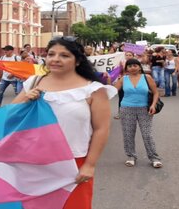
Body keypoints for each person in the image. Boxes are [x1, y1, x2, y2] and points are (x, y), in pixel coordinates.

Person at [11, 37, 116, 209]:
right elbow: (10, 117)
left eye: (64, 55)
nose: (55, 59)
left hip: (74, 164)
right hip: (33, 162)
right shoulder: (34, 82)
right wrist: (26, 102)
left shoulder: (94, 89)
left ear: (78, 61)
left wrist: (90, 165)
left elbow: (101, 129)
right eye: (51, 54)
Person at [114, 58, 162, 169]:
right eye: (130, 66)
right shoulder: (123, 79)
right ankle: (131, 156)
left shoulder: (147, 78)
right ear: (126, 68)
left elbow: (155, 93)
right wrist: (107, 80)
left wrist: (153, 105)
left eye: (135, 65)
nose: (133, 68)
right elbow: (112, 91)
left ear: (140, 67)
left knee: (147, 134)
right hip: (126, 109)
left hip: (144, 109)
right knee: (128, 134)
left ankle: (154, 158)